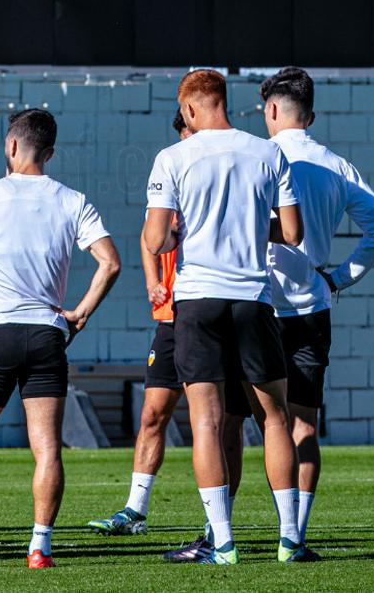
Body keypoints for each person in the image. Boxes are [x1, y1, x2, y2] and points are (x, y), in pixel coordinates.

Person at [0, 109, 119, 570]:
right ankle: (40, 548)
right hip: (48, 333)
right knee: (47, 447)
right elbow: (109, 261)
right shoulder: (73, 199)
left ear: (11, 146)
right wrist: (80, 314)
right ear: (48, 153)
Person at [142, 69, 306, 565]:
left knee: (207, 424)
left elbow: (155, 241)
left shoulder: (172, 157)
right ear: (223, 102)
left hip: (197, 301)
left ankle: (224, 543)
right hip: (254, 298)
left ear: (189, 109)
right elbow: (293, 233)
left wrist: (181, 233)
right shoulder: (268, 151)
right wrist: (253, 225)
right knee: (274, 418)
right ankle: (290, 541)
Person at [261, 67, 374, 556]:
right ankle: (292, 537)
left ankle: (221, 533)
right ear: (311, 115)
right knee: (303, 424)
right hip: (312, 306)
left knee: (237, 421)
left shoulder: (259, 157)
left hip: (260, 303)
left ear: (273, 110)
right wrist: (339, 276)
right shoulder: (337, 165)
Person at [87, 111, 188, 537]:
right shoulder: (172, 173)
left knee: (230, 417)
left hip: (220, 314)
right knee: (152, 414)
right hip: (173, 319)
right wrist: (152, 283)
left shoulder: (228, 173)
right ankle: (135, 510)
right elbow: (150, 239)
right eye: (185, 132)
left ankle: (227, 519)